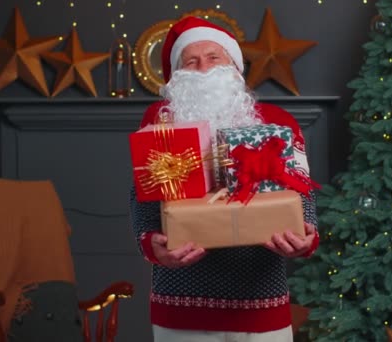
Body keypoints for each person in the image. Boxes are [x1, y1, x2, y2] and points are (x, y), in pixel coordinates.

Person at [129, 16, 319, 342]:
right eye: (191, 61)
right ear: (177, 76)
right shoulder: (159, 121)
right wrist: (151, 246)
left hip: (261, 301)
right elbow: (142, 195)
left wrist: (306, 239)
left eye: (214, 57)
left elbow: (302, 196)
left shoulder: (278, 122)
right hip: (181, 305)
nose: (203, 68)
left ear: (234, 66)